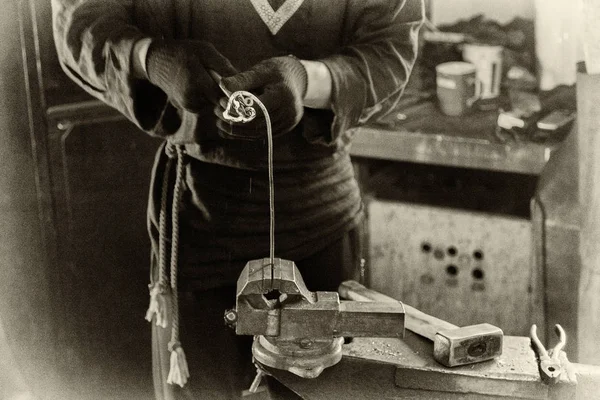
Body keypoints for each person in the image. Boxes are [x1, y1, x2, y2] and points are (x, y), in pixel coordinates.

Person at [52, 0, 424, 398]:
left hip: (318, 221)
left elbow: (390, 46)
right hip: (200, 222)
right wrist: (150, 57)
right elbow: (82, 21)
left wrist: (306, 78)